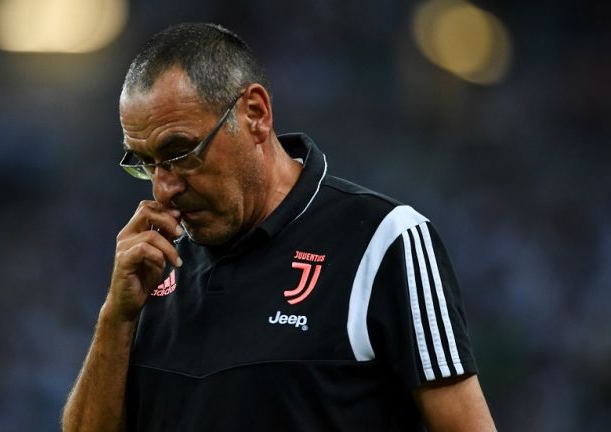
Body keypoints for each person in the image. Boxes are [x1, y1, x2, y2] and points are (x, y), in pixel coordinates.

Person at [62, 22, 496, 431]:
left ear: (255, 113)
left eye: (181, 153)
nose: (163, 189)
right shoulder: (152, 265)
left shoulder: (383, 240)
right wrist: (116, 316)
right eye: (146, 162)